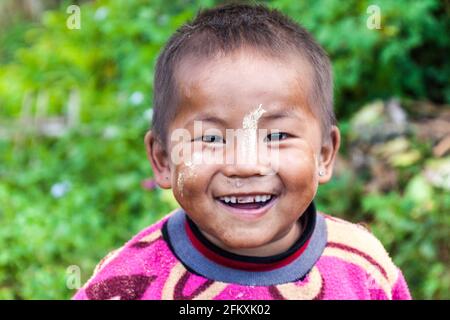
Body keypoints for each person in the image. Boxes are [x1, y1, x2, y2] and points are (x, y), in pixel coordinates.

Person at [73, 3, 411, 300]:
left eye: (277, 135)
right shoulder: (123, 284)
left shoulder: (363, 268)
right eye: (211, 139)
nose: (246, 166)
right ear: (163, 160)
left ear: (324, 154)